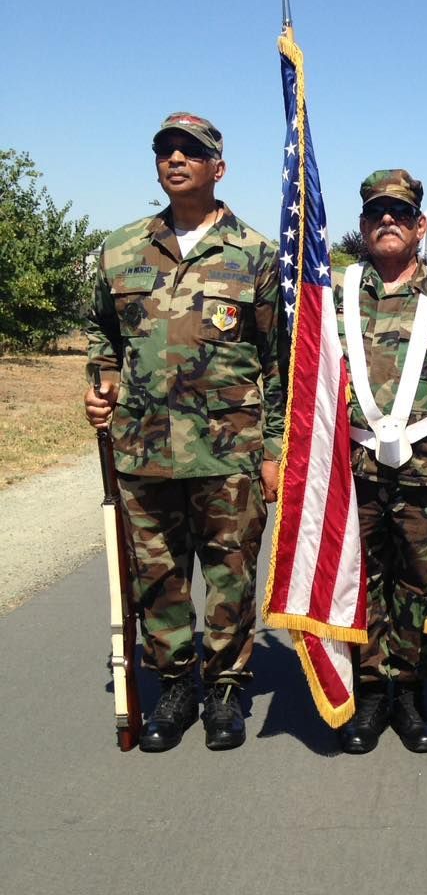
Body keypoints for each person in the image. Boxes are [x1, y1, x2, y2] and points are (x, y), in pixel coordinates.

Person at [84, 112, 284, 752]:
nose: (176, 160)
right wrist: (100, 385)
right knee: (158, 575)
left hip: (229, 451)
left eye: (191, 152)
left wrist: (274, 450)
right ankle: (174, 682)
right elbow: (102, 337)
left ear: (217, 168)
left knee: (229, 570)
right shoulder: (119, 249)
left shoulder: (254, 253)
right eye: (166, 151)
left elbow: (278, 361)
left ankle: (226, 685)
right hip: (142, 448)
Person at [333, 169, 427, 754]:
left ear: (418, 227)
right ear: (362, 226)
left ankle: (408, 688)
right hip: (352, 469)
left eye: (400, 213)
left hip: (425, 469)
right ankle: (370, 689)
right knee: (362, 579)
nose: (388, 220)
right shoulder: (337, 292)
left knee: (416, 580)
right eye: (376, 212)